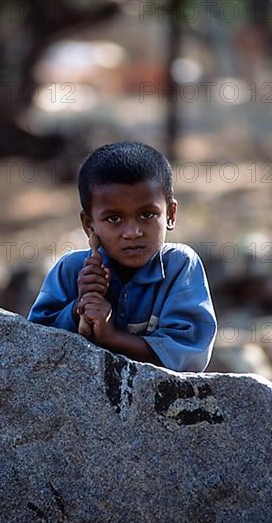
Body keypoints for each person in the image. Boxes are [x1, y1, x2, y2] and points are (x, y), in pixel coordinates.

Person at [28, 142, 217, 372]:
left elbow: (189, 355)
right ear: (89, 225)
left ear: (170, 213)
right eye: (114, 219)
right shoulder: (72, 270)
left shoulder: (180, 266)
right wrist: (78, 307)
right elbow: (33, 348)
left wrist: (112, 337)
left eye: (147, 214)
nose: (132, 233)